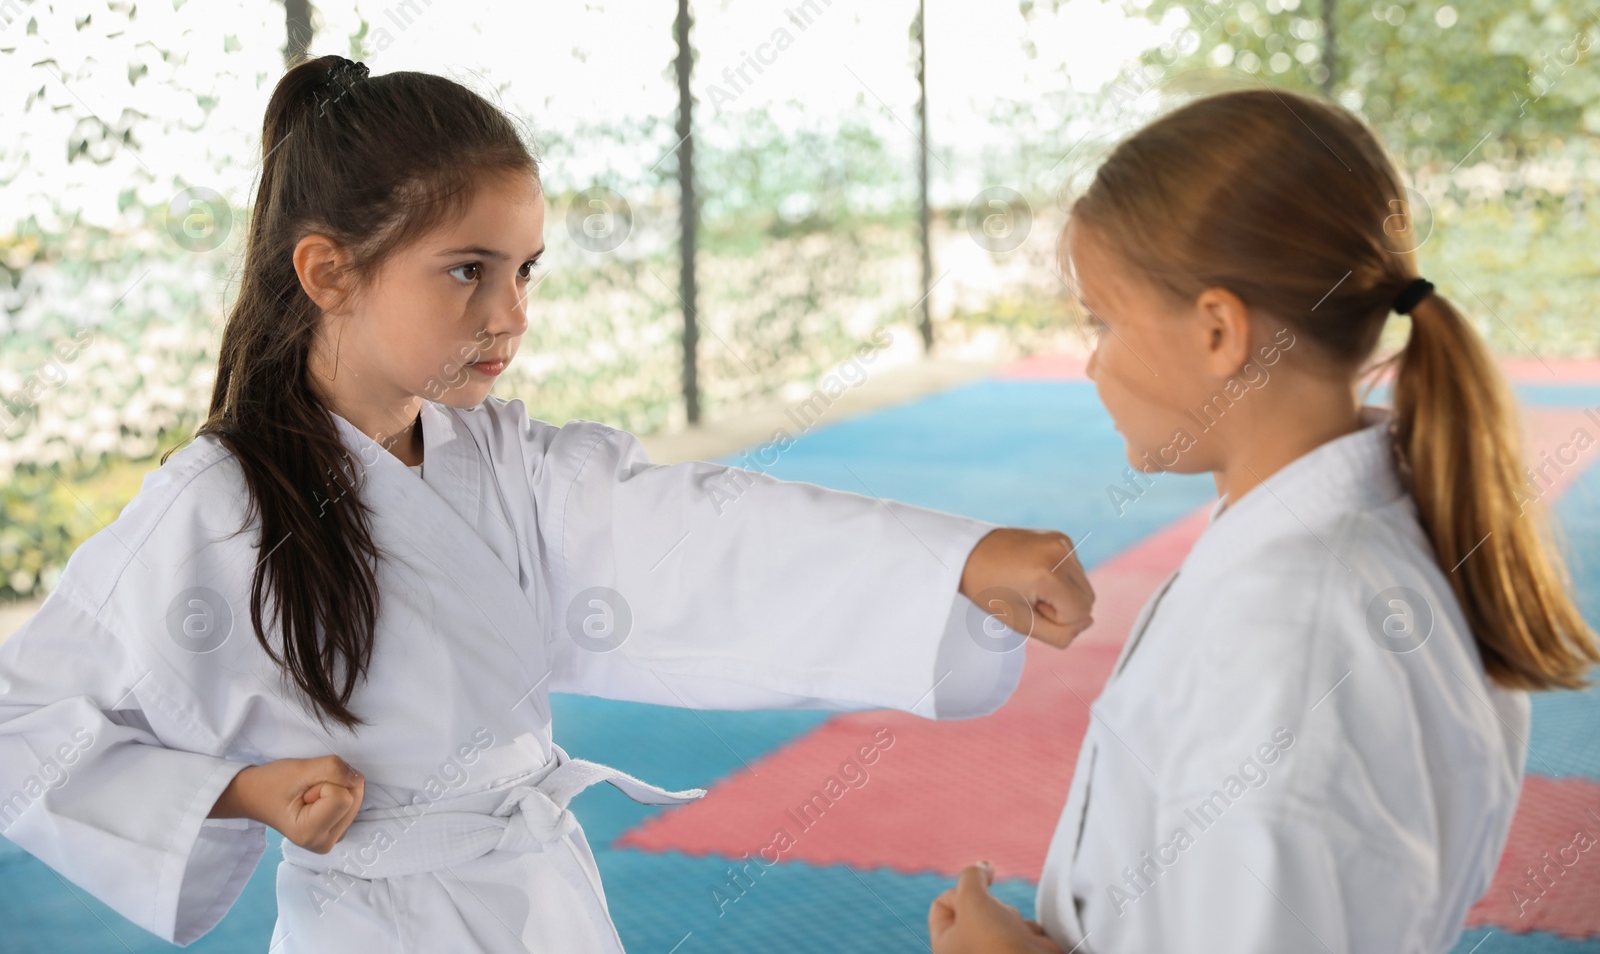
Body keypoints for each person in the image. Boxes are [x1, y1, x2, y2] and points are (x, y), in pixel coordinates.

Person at [0, 55, 1097, 953]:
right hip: (378, 923)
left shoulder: (503, 458)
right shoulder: (215, 505)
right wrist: (241, 788)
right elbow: (24, 723)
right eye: (467, 270)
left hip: (539, 896)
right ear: (329, 273)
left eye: (527, 269)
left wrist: (952, 561)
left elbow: (696, 530)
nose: (509, 312)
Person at [926, 86, 1599, 954]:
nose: (1092, 363)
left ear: (1218, 330)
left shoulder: (1298, 635)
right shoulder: (1331, 549)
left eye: (1104, 320)